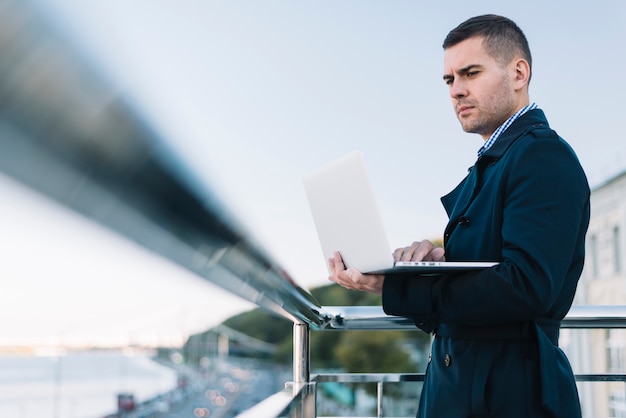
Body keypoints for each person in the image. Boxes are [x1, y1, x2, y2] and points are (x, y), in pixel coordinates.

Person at [328, 14, 590, 418]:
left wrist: (393, 287)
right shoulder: (495, 163)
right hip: (469, 390)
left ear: (519, 73)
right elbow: (471, 301)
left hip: (509, 397)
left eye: (470, 73)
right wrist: (426, 266)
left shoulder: (541, 155)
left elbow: (524, 287)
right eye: (449, 80)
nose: (456, 90)